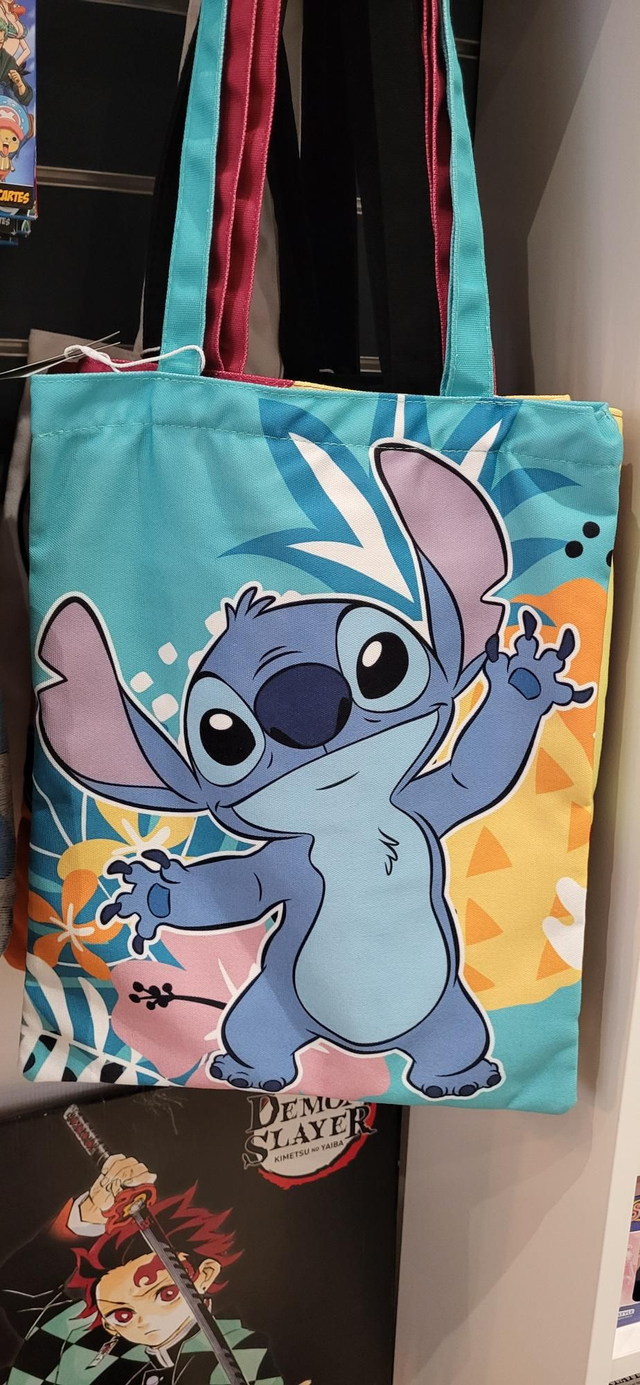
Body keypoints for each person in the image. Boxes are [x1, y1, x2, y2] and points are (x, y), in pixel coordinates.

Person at [1, 1155, 306, 1385]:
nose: (146, 1320)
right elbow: (19, 1287)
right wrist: (88, 1216)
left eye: (165, 1293)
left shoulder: (238, 1350)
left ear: (205, 1275)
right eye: (122, 1314)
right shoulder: (82, 1331)